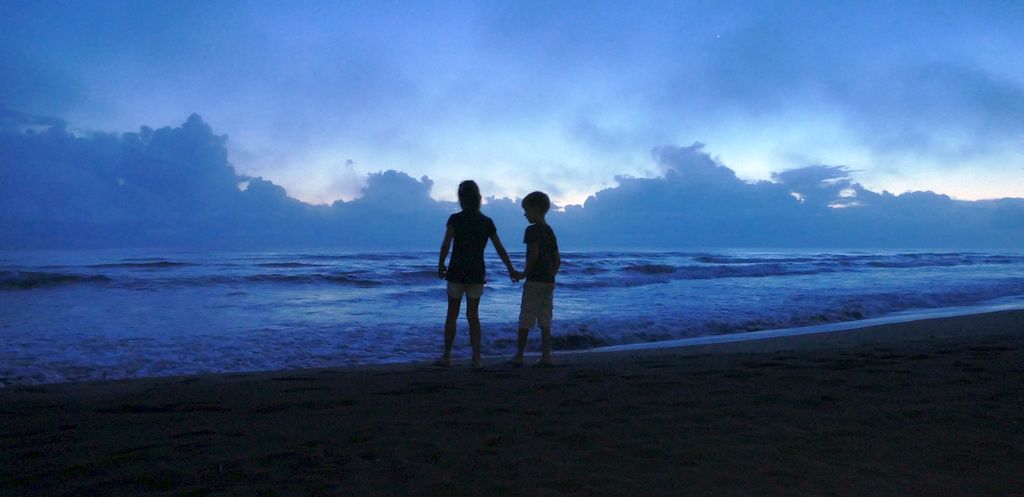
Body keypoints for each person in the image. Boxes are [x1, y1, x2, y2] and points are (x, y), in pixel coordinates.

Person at [437, 180, 519, 368]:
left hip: (456, 271)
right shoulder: (486, 222)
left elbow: (446, 244)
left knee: (452, 314)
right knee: (473, 315)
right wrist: (510, 269)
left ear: (461, 199)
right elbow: (500, 248)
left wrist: (440, 264)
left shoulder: (455, 219)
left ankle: (447, 356)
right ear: (478, 199)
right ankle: (476, 359)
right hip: (476, 273)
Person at [510, 191, 560, 367]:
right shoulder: (549, 230)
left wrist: (524, 273)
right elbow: (557, 258)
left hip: (535, 281)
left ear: (535, 209)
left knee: (526, 317)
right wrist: (552, 275)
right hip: (548, 281)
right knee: (545, 319)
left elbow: (534, 254)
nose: (525, 214)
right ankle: (546, 356)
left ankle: (519, 355)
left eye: (526, 210)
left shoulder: (532, 230)